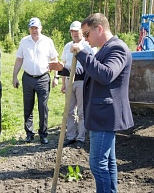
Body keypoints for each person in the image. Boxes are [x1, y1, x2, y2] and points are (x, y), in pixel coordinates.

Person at [49, 13, 134, 192]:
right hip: (101, 114)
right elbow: (90, 73)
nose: (85, 39)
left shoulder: (117, 48)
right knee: (108, 163)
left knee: (97, 164)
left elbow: (106, 75)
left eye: (87, 34)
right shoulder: (104, 49)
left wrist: (82, 53)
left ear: (99, 29)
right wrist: (63, 69)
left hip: (105, 116)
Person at [12, 17, 59, 144]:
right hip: (27, 78)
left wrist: (56, 77)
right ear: (29, 29)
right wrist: (14, 76)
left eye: (36, 28)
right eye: (32, 28)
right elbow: (19, 60)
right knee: (28, 106)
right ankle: (29, 133)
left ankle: (43, 134)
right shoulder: (24, 41)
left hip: (43, 78)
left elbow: (54, 59)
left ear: (41, 28)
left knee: (43, 107)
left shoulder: (47, 41)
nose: (34, 30)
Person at [61, 21, 96, 149]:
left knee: (82, 111)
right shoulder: (67, 47)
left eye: (77, 31)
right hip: (70, 81)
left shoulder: (88, 46)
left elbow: (92, 66)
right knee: (69, 111)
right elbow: (64, 64)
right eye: (72, 31)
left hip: (82, 82)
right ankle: (71, 136)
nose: (74, 34)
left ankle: (81, 138)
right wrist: (63, 83)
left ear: (82, 31)